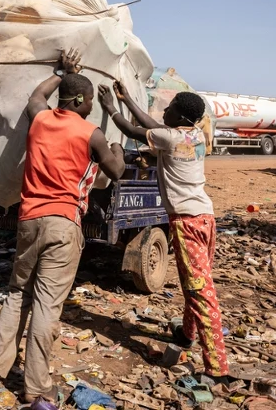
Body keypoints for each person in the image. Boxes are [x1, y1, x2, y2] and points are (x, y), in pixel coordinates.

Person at [0, 49, 126, 403]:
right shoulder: (92, 134)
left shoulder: (41, 119)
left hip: (28, 219)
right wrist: (118, 145)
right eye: (90, 100)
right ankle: (35, 387)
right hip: (64, 223)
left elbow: (36, 96)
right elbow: (117, 172)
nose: (92, 105)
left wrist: (62, 70)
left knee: (17, 293)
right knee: (46, 304)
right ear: (81, 100)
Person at [97, 82, 230, 382]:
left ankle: (217, 368)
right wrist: (128, 98)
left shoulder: (169, 137)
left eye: (170, 109)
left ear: (180, 117)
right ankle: (186, 335)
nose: (165, 111)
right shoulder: (195, 134)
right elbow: (154, 125)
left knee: (201, 292)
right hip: (205, 217)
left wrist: (111, 108)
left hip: (186, 222)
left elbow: (134, 131)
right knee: (192, 282)